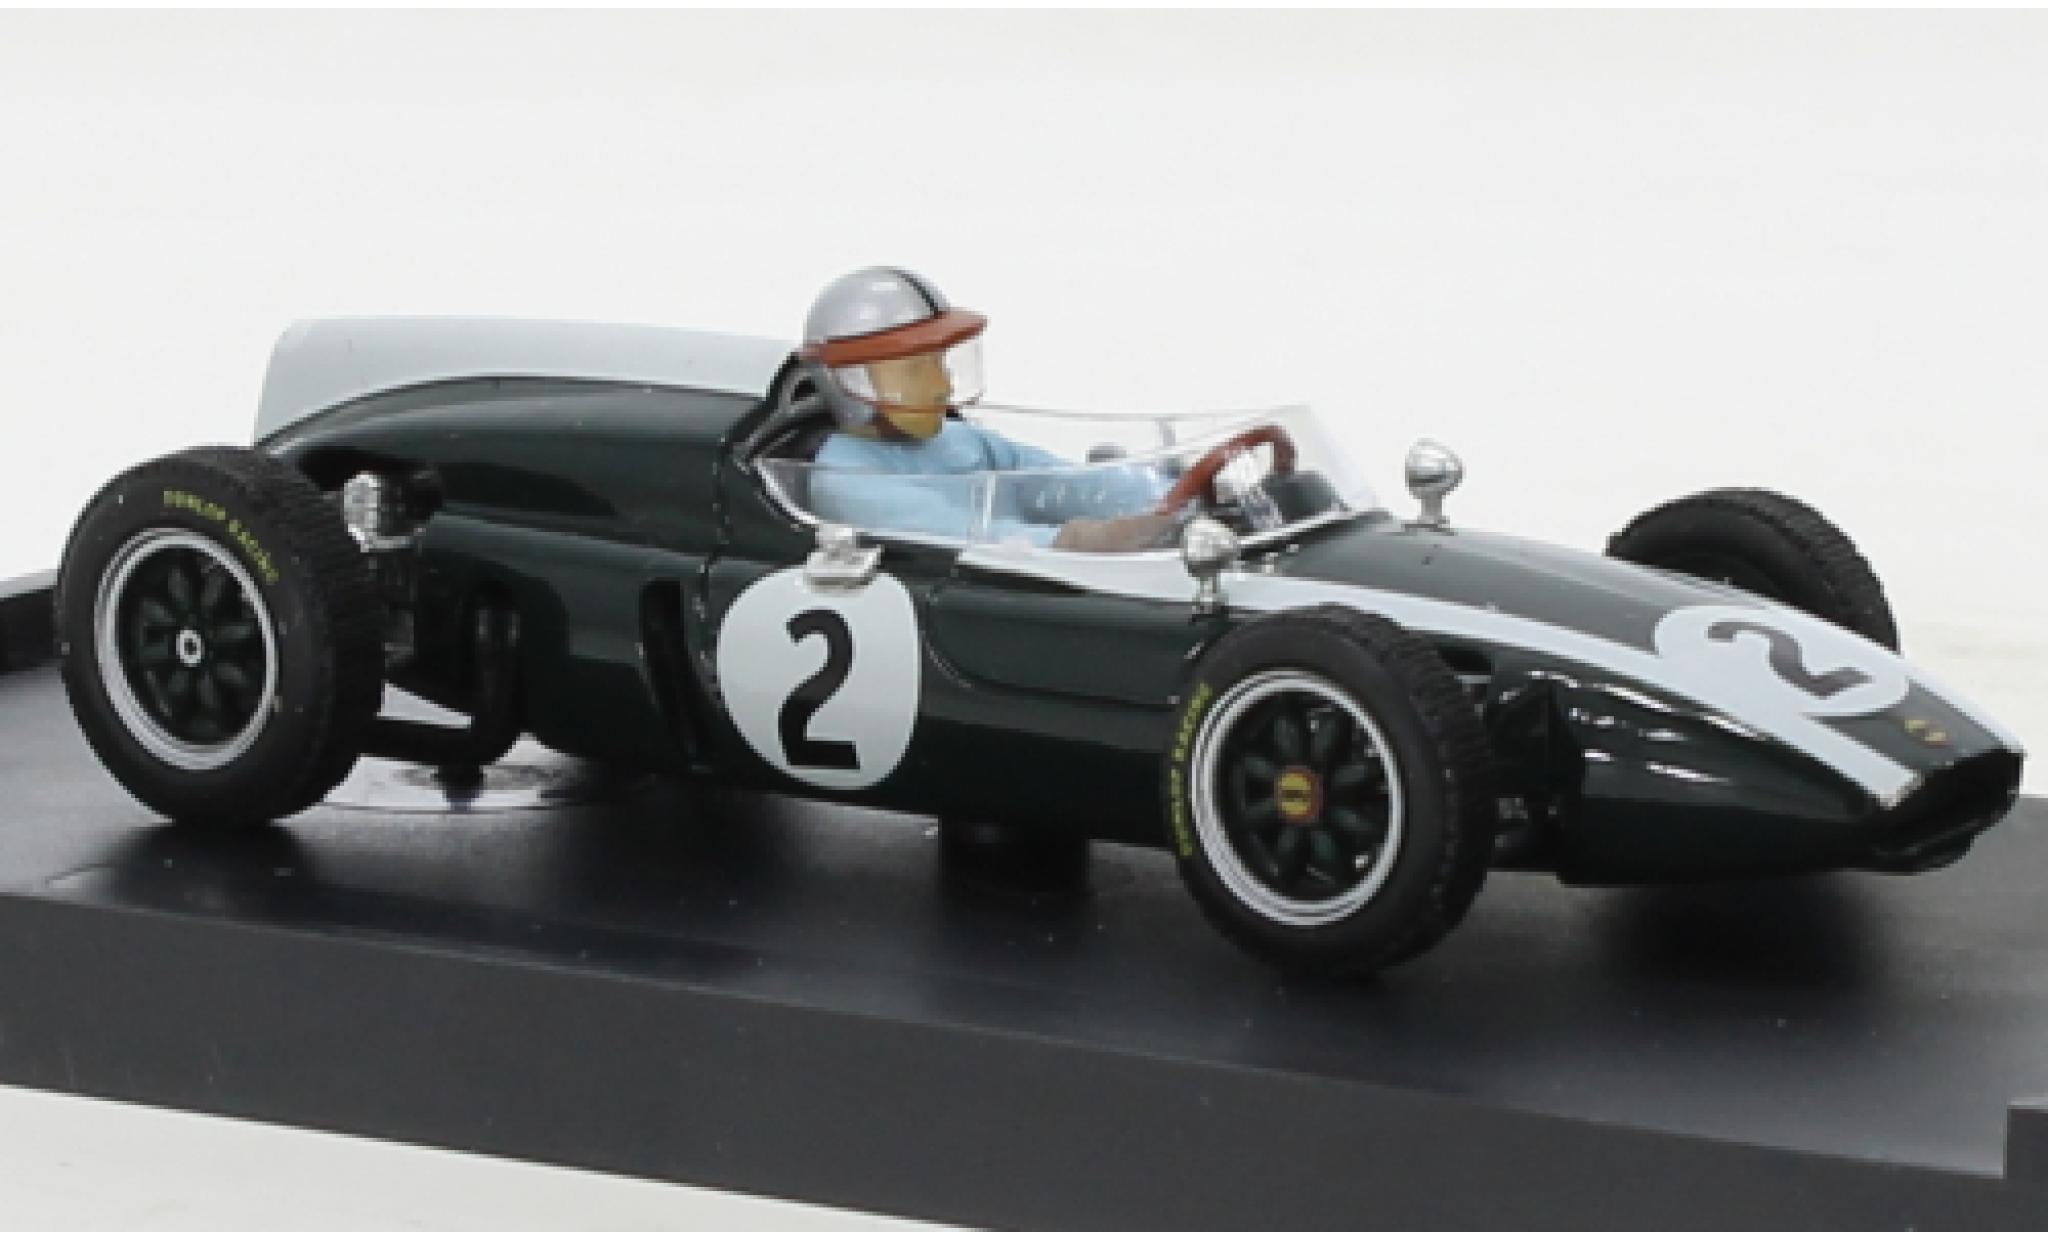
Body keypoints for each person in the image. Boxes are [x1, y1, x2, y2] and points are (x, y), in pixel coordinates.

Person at [797, 267, 1177, 552]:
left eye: (940, 364)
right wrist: (1088, 540)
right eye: (914, 372)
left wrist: (1165, 497)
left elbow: (1055, 480)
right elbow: (972, 539)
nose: (942, 387)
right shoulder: (846, 480)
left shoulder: (958, 438)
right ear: (845, 381)